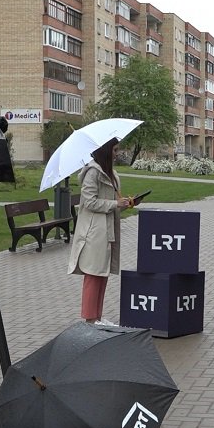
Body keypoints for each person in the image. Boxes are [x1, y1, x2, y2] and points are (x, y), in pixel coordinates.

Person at [68, 137, 134, 326]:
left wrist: (125, 203)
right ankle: (90, 318)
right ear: (106, 151)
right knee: (93, 274)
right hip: (94, 231)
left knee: (102, 273)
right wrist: (115, 203)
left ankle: (97, 316)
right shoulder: (93, 173)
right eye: (114, 150)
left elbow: (111, 204)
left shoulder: (109, 173)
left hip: (107, 228)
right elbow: (88, 202)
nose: (117, 153)